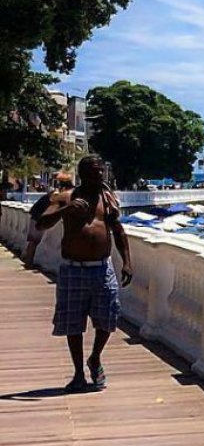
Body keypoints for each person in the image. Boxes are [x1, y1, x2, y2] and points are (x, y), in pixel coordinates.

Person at [38, 156, 133, 392]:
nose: (98, 176)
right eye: (93, 172)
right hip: (73, 268)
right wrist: (67, 209)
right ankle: (79, 373)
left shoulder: (106, 199)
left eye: (100, 171)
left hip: (102, 267)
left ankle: (95, 357)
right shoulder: (66, 197)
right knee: (73, 323)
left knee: (108, 318)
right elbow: (42, 223)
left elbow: (118, 231)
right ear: (82, 174)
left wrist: (127, 262)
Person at [22, 174, 74, 266]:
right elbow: (54, 205)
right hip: (38, 216)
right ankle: (28, 262)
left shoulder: (57, 193)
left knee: (33, 241)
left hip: (36, 215)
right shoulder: (56, 194)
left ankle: (27, 258)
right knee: (34, 240)